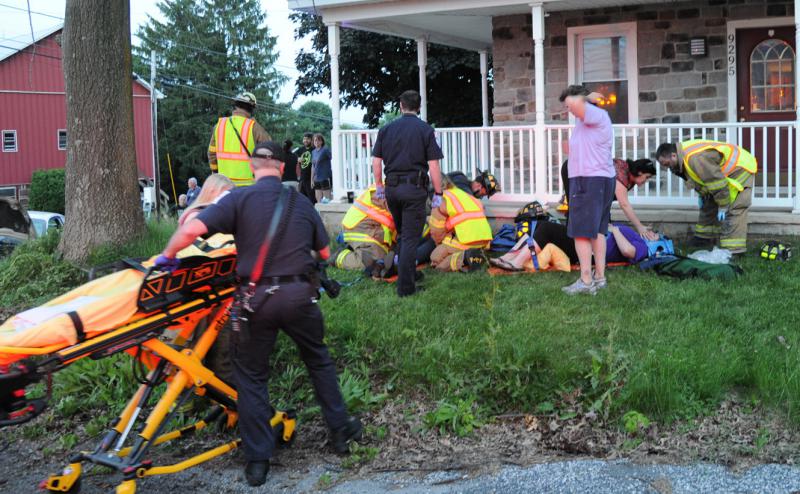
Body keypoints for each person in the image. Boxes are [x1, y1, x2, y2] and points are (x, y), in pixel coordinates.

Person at [154, 141, 361, 486]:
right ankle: (341, 432)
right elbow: (324, 251)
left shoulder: (238, 199)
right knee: (319, 361)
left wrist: (166, 256)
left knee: (251, 376)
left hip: (254, 301)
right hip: (300, 297)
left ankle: (258, 461)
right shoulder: (302, 202)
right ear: (282, 168)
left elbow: (190, 230)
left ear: (253, 168)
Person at [371, 90, 443, 296]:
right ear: (418, 107)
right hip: (414, 190)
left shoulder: (386, 130)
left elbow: (376, 162)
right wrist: (438, 193)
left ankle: (408, 274)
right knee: (410, 238)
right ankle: (405, 288)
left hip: (392, 189)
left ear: (401, 106)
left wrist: (379, 187)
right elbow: (434, 166)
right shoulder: (425, 130)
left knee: (404, 235)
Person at [559, 84, 614, 295]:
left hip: (589, 180)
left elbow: (578, 105)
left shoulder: (596, 115)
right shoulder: (586, 123)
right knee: (598, 231)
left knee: (581, 232)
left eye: (569, 105)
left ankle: (586, 280)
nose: (568, 110)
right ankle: (599, 278)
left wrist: (585, 97)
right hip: (598, 179)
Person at [656, 140, 757, 254]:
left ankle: (733, 251)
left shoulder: (696, 159)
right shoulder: (683, 157)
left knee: (735, 208)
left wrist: (723, 205)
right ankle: (704, 239)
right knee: (708, 200)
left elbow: (717, 183)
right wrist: (703, 193)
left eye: (666, 164)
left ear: (674, 155)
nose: (666, 168)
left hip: (740, 170)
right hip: (723, 174)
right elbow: (701, 178)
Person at [560, 158, 659, 240]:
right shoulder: (622, 174)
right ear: (640, 172)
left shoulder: (630, 178)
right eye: (647, 177)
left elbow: (605, 200)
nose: (646, 181)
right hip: (574, 168)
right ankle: (570, 244)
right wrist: (639, 226)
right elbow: (624, 204)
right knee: (576, 209)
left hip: (587, 177)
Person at [417, 170, 499, 264]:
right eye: (483, 194)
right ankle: (411, 258)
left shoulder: (459, 185)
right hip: (433, 211)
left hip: (460, 234)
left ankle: (409, 258)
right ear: (479, 186)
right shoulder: (465, 193)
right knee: (432, 236)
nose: (481, 197)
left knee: (433, 241)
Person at [491, 222, 648, 272]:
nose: (651, 233)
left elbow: (628, 251)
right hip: (585, 238)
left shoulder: (643, 246)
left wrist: (616, 230)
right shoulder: (632, 231)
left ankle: (517, 263)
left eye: (654, 235)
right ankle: (506, 258)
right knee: (541, 227)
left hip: (587, 252)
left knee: (546, 229)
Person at [208, 91, 271, 186]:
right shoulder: (254, 127)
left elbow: (211, 153)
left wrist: (215, 171)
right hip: (247, 186)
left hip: (224, 185)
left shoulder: (220, 125)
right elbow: (270, 149)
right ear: (252, 108)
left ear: (235, 105)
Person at [428, 182, 493, 272]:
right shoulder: (464, 194)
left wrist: (439, 244)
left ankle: (464, 258)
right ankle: (476, 255)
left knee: (435, 258)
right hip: (484, 241)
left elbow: (436, 231)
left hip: (466, 240)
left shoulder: (440, 198)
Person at [334, 185, 396, 276]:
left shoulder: (392, 189)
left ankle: (358, 249)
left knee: (386, 255)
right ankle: (340, 257)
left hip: (369, 228)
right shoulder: (384, 193)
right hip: (357, 228)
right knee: (377, 259)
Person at [312, 134, 333, 203]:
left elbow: (332, 158)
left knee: (327, 200)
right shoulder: (313, 152)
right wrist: (312, 180)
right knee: (318, 200)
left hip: (325, 177)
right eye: (315, 140)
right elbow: (313, 166)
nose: (316, 142)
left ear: (321, 141)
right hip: (316, 178)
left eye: (318, 140)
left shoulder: (325, 149)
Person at [296, 132, 315, 203]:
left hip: (311, 179)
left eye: (307, 139)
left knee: (312, 199)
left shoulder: (314, 149)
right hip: (302, 178)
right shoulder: (301, 149)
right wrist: (298, 159)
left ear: (311, 140)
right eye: (304, 139)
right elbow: (293, 156)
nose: (305, 141)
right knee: (302, 199)